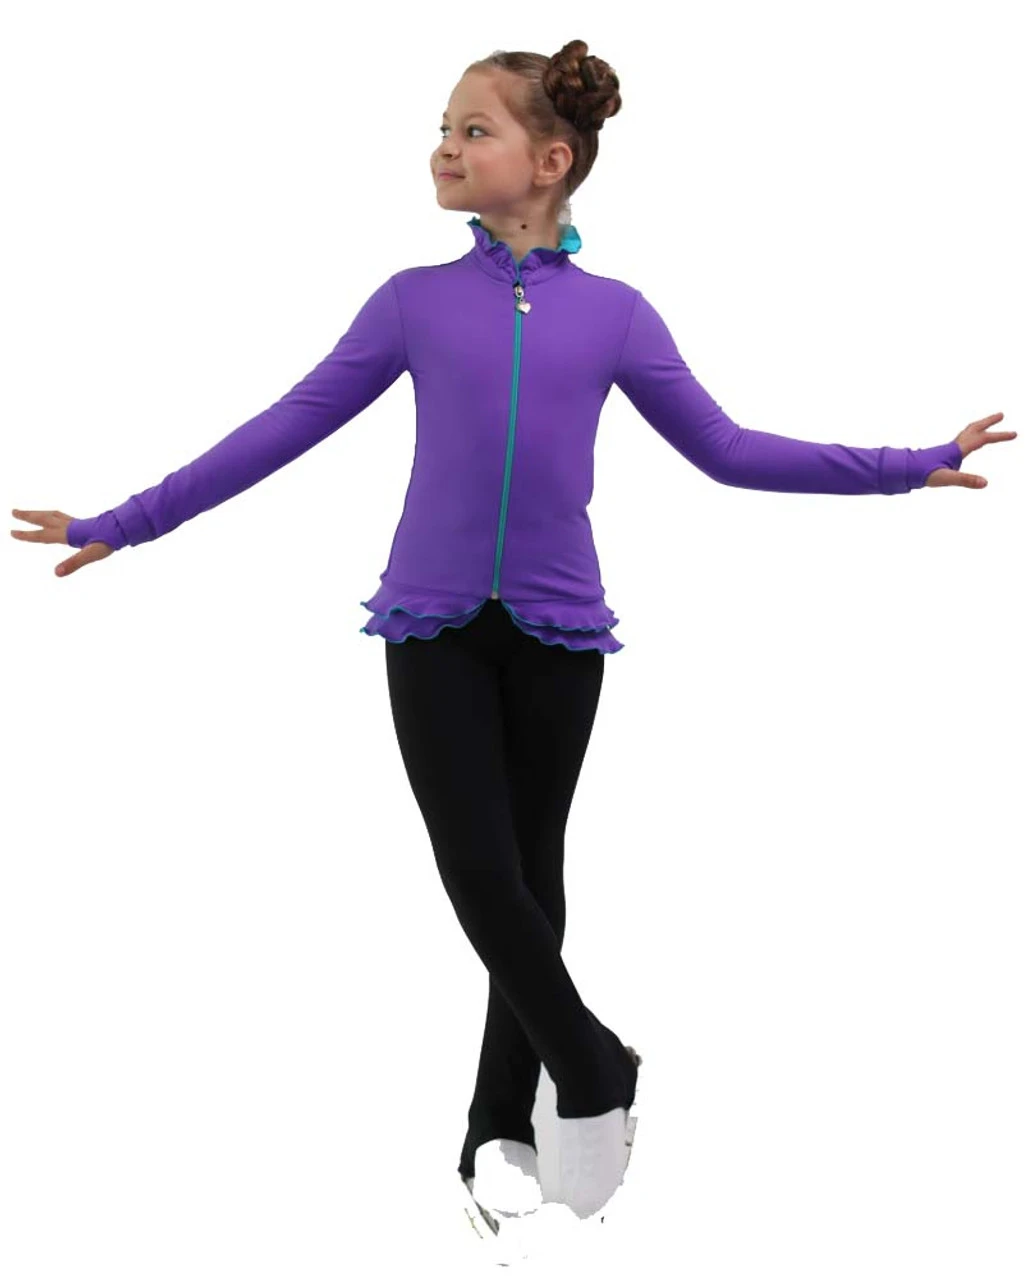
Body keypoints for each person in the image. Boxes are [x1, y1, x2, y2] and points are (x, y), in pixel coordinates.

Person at [10, 36, 1016, 1244]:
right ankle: (592, 1063)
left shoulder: (617, 314)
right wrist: (129, 520)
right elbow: (285, 425)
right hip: (431, 622)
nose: (443, 147)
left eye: (472, 129)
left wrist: (907, 465)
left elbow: (728, 449)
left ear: (550, 161)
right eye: (443, 127)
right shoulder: (412, 301)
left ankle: (496, 1123)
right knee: (480, 870)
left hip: (559, 627)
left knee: (531, 877)